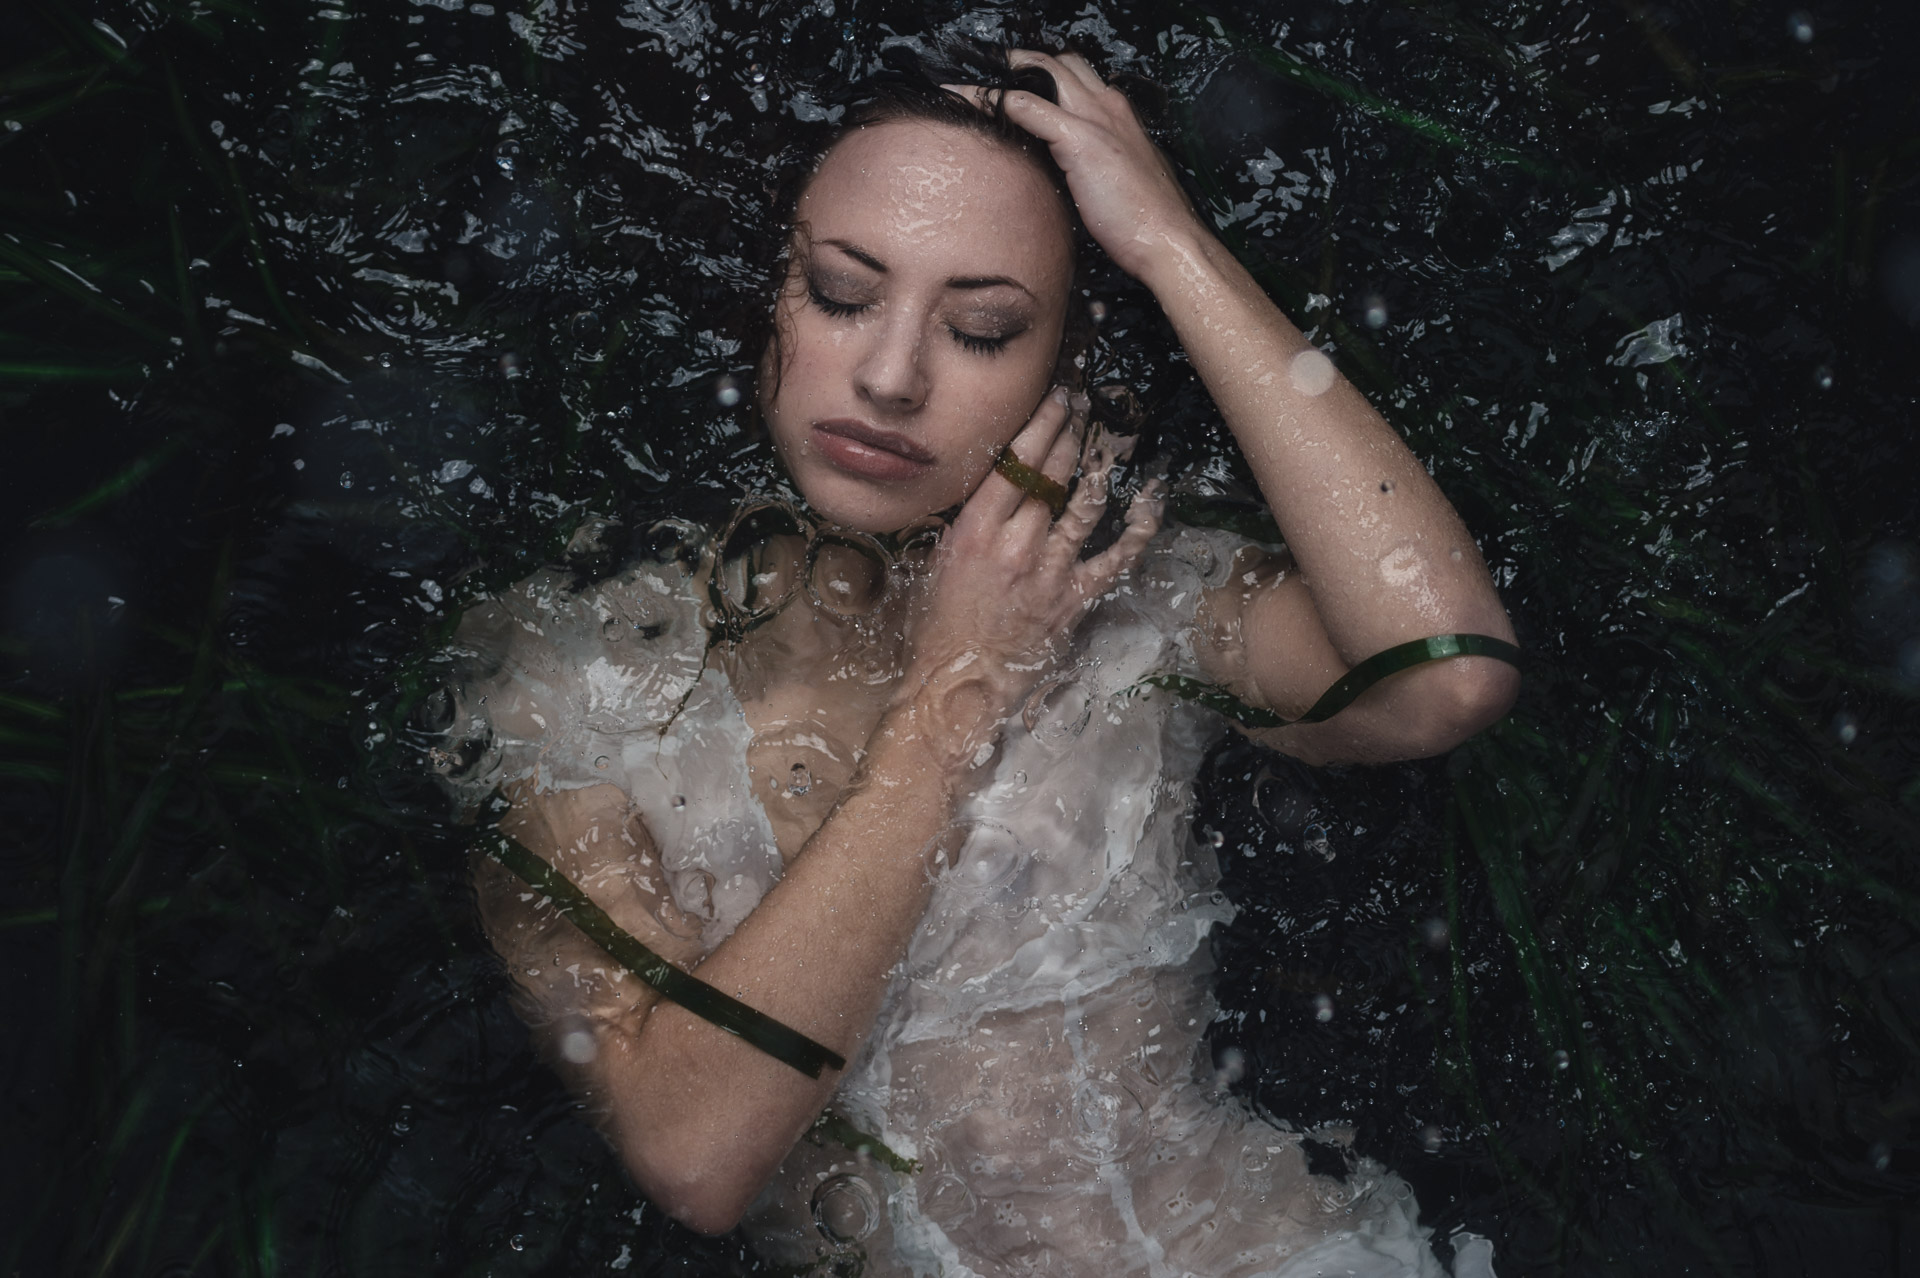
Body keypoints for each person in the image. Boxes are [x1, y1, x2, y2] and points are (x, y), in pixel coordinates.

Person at [430, 42, 1516, 1278]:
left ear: (1066, 361)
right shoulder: (578, 677)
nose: (891, 377)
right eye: (840, 295)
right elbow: (697, 1154)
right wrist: (959, 690)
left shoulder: (1132, 601)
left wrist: (1174, 249)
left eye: (984, 327)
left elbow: (1446, 671)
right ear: (759, 294)